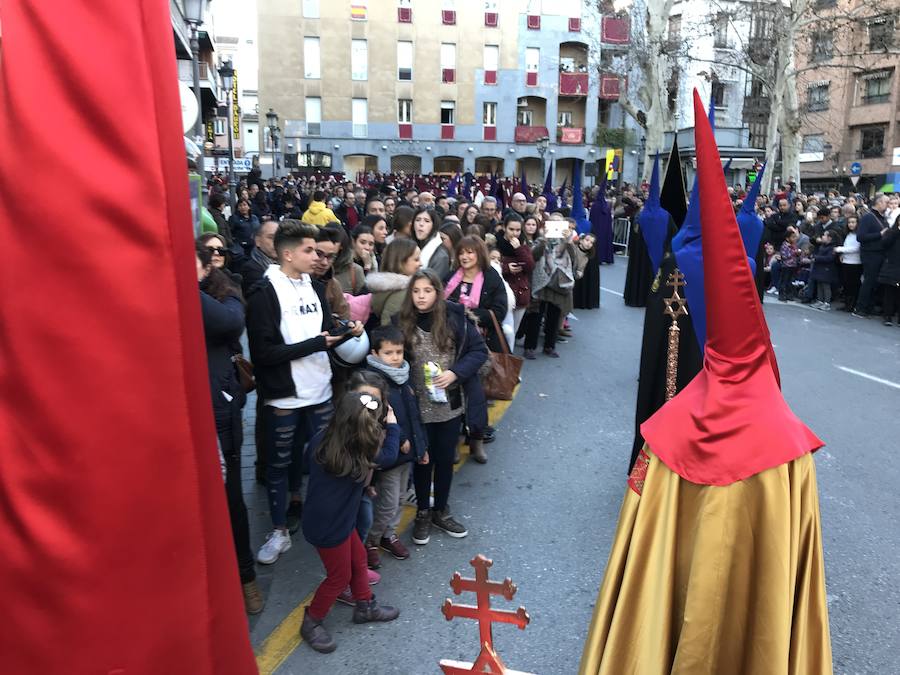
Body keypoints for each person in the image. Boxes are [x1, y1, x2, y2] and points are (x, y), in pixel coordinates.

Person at [246, 220, 363, 565]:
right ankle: (279, 531)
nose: (317, 256)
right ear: (287, 253)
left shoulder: (314, 285)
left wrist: (346, 330)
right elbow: (263, 354)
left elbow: (324, 328)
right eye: (309, 250)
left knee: (330, 459)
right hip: (284, 396)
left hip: (321, 391)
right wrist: (315, 343)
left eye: (317, 250)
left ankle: (330, 523)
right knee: (280, 465)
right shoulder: (263, 291)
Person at [299, 391, 402, 653]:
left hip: (331, 520)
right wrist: (392, 425)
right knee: (339, 576)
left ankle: (365, 605)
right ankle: (312, 620)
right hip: (331, 528)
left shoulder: (320, 439)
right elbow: (390, 455)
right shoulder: (360, 451)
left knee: (357, 560)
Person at [397, 270, 489, 542]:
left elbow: (478, 351)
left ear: (437, 292)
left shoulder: (454, 317)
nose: (421, 296)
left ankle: (441, 510)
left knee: (445, 459)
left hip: (449, 405)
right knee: (423, 461)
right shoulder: (401, 322)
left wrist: (455, 373)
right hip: (417, 408)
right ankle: (423, 512)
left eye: (427, 290)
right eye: (416, 291)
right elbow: (388, 357)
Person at [196, 246, 262, 616]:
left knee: (231, 498)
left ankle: (246, 576)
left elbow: (227, 324)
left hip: (220, 414)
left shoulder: (225, 294)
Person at [363, 326, 428, 565]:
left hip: (407, 454)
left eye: (399, 352)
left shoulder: (403, 376)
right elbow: (378, 419)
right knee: (388, 502)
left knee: (400, 498)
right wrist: (400, 440)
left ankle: (388, 535)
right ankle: (371, 540)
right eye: (389, 353)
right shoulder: (373, 382)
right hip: (391, 453)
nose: (395, 357)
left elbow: (414, 415)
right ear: (375, 353)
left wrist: (421, 448)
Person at [444, 235, 509, 354]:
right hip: (451, 340)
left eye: (469, 252)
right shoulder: (451, 276)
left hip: (483, 341)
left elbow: (499, 312)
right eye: (461, 253)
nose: (464, 257)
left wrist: (464, 313)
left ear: (480, 254)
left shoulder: (491, 277)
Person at [522, 220, 576, 358]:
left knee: (554, 316)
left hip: (557, 284)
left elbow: (573, 260)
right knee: (535, 316)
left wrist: (568, 241)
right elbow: (533, 256)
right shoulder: (539, 240)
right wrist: (545, 240)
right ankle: (529, 347)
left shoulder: (565, 243)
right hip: (541, 284)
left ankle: (549, 346)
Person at [367, 238, 421, 326]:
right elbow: (389, 329)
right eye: (416, 259)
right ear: (401, 261)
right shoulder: (402, 293)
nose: (421, 263)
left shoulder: (389, 287)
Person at [496, 214, 535, 334]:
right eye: (511, 229)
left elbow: (530, 266)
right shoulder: (496, 242)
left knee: (512, 331)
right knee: (501, 331)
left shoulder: (523, 244)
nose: (515, 233)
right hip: (502, 293)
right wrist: (506, 268)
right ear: (504, 228)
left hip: (520, 292)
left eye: (518, 230)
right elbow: (490, 266)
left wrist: (519, 249)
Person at [854, 194, 889, 318]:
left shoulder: (883, 218)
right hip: (870, 254)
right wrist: (879, 234)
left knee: (875, 282)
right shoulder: (868, 217)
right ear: (878, 203)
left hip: (880, 254)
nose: (888, 204)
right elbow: (860, 237)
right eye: (886, 202)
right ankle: (860, 308)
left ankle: (870, 306)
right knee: (869, 281)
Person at [241, 219, 279, 298]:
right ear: (258, 241)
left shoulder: (287, 264)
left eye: (280, 237)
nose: (276, 242)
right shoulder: (250, 268)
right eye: (271, 237)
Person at [413, 206, 451, 280]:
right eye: (418, 220)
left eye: (426, 221)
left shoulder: (441, 255)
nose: (421, 224)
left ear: (434, 225)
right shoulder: (411, 246)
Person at [835, 215, 861, 312]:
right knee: (846, 284)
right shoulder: (849, 235)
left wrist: (839, 249)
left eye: (853, 222)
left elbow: (855, 248)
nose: (851, 224)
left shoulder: (858, 235)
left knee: (853, 285)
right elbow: (847, 246)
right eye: (849, 222)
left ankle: (852, 305)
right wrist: (842, 254)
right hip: (846, 261)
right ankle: (847, 304)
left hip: (855, 263)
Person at [878, 214, 900, 326]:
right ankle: (888, 316)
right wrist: (896, 232)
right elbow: (884, 244)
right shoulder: (892, 232)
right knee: (889, 293)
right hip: (892, 266)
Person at [809, 230, 838, 310]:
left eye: (824, 235)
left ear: (830, 238)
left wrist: (817, 258)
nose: (822, 237)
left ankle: (827, 303)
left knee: (826, 286)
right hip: (819, 268)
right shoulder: (822, 246)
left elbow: (829, 258)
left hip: (826, 269)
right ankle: (820, 300)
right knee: (819, 284)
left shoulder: (832, 248)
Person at [778, 227, 801, 302]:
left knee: (790, 281)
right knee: (784, 281)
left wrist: (798, 254)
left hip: (793, 265)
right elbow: (784, 256)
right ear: (787, 238)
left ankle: (789, 294)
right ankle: (781, 294)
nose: (794, 239)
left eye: (795, 237)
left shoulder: (794, 245)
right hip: (786, 266)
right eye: (793, 237)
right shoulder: (785, 245)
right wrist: (793, 253)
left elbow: (796, 255)